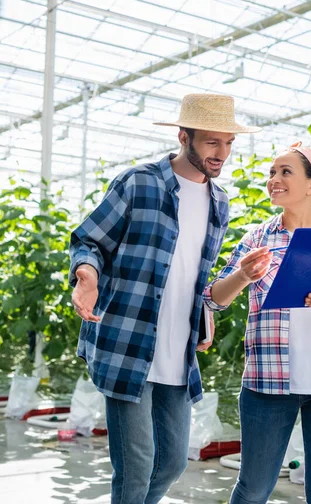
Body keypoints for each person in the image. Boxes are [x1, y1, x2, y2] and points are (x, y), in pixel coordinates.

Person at [69, 93, 260, 504]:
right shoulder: (139, 182)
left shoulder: (220, 202)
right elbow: (89, 240)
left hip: (178, 349)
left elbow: (195, 274)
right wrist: (86, 275)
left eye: (228, 143)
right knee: (136, 466)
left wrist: (204, 318)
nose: (221, 153)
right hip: (127, 342)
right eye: (212, 142)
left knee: (171, 461)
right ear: (183, 136)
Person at [203, 141, 311, 504]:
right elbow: (214, 299)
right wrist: (244, 276)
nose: (274, 179)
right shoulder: (257, 239)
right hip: (268, 380)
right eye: (271, 173)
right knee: (252, 490)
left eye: (285, 172)